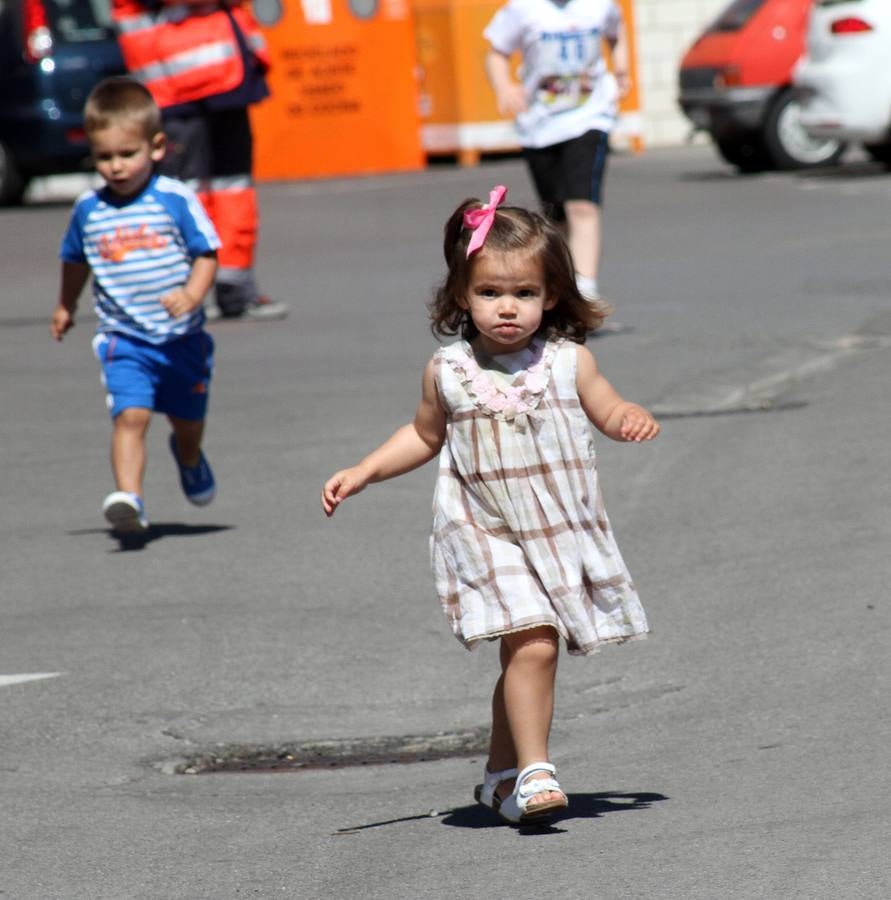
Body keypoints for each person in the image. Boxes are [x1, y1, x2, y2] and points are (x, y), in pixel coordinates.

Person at [321, 186, 659, 824]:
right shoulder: (447, 372)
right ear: (460, 296)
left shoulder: (568, 363)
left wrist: (628, 417)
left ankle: (500, 779)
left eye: (525, 293)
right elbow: (424, 435)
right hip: (483, 528)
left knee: (525, 649)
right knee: (533, 642)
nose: (508, 308)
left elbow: (608, 408)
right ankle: (536, 774)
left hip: (556, 528)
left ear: (552, 294)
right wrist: (365, 469)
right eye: (490, 293)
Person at [50, 76, 221, 536]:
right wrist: (66, 304)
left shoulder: (174, 199)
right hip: (123, 338)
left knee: (188, 422)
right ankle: (131, 499)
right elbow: (74, 259)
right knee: (131, 415)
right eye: (105, 157)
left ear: (157, 146)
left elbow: (207, 253)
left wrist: (191, 294)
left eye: (127, 155)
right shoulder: (89, 209)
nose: (116, 167)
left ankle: (188, 457)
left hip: (182, 339)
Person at [110, 0, 288, 321]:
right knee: (183, 194)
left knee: (233, 190)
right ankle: (184, 291)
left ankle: (235, 289)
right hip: (178, 83)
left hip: (224, 78)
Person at [483, 0, 630, 302]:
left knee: (582, 205)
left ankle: (585, 287)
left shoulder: (599, 6)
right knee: (556, 215)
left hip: (589, 115)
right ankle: (563, 283)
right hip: (540, 123)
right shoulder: (522, 9)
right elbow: (497, 53)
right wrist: (504, 87)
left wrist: (621, 69)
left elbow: (617, 32)